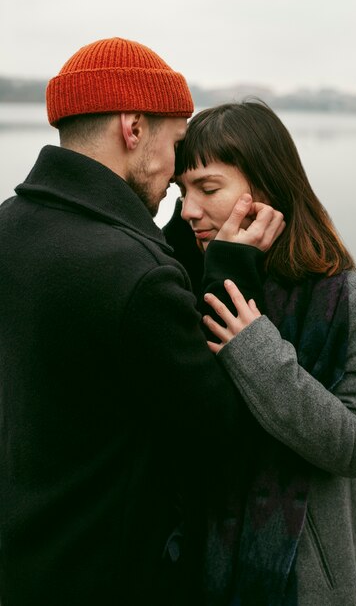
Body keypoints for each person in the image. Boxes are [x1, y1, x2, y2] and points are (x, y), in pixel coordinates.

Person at [0, 40, 286, 606]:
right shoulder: (134, 273)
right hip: (107, 575)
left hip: (23, 558)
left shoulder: (11, 225)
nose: (180, 169)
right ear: (134, 128)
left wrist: (179, 236)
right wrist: (233, 270)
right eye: (178, 143)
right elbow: (219, 433)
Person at [165, 101, 356, 606]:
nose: (189, 210)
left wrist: (256, 351)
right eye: (182, 191)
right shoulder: (192, 280)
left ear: (264, 188)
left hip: (304, 584)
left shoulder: (349, 300)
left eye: (208, 188)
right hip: (204, 570)